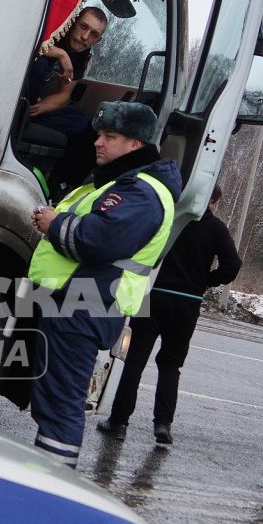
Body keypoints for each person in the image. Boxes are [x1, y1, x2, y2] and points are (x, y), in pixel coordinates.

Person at [25, 101, 181, 467]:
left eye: (110, 136)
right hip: (76, 303)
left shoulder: (141, 191)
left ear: (136, 144)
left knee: (61, 405)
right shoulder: (123, 183)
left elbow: (99, 240)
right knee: (54, 401)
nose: (98, 143)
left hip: (84, 306)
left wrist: (54, 222)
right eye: (98, 135)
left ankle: (51, 488)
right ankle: (46, 479)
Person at [98, 183, 242, 445]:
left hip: (151, 294)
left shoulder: (170, 218)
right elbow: (233, 265)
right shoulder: (216, 228)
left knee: (135, 361)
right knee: (171, 365)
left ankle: (119, 422)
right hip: (187, 302)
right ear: (213, 202)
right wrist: (205, 281)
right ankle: (163, 424)